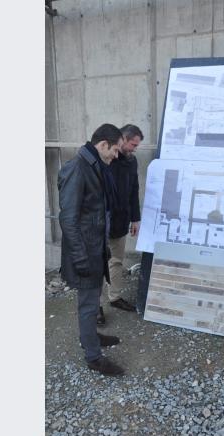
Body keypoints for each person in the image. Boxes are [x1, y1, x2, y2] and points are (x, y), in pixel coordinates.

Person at [58, 123, 126, 376]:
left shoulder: (94, 166)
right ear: (103, 145)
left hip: (94, 248)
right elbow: (68, 218)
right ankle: (93, 357)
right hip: (84, 251)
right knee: (87, 305)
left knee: (93, 299)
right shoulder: (77, 168)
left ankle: (91, 336)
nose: (116, 156)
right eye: (115, 150)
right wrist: (79, 257)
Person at [96, 124, 143, 325]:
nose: (134, 149)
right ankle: (96, 306)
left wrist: (135, 218)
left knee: (116, 260)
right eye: (133, 144)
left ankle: (114, 297)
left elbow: (134, 189)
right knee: (98, 265)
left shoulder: (132, 162)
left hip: (121, 220)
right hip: (101, 221)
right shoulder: (105, 159)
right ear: (122, 139)